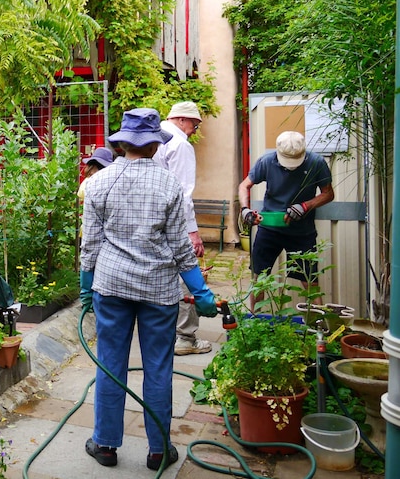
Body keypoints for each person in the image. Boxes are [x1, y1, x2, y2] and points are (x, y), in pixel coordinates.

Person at [79, 108, 217, 471]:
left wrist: (85, 284)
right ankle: (158, 450)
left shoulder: (98, 183)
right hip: (159, 290)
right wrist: (200, 291)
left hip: (110, 287)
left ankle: (105, 445)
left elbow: (90, 244)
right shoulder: (170, 186)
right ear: (156, 146)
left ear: (122, 144)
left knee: (110, 363)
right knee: (158, 367)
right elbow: (180, 248)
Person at [239, 131, 334, 301]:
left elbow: (328, 194)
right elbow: (244, 185)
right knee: (259, 280)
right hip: (269, 229)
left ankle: (317, 326)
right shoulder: (266, 161)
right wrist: (245, 210)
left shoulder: (316, 163)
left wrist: (305, 206)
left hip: (302, 232)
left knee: (310, 281)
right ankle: (253, 323)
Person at [153, 101, 211, 356]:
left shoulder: (151, 141)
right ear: (181, 120)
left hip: (149, 223)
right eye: (194, 124)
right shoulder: (179, 145)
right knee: (186, 275)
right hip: (174, 223)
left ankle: (161, 332)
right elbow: (183, 194)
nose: (195, 130)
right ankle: (185, 337)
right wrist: (193, 232)